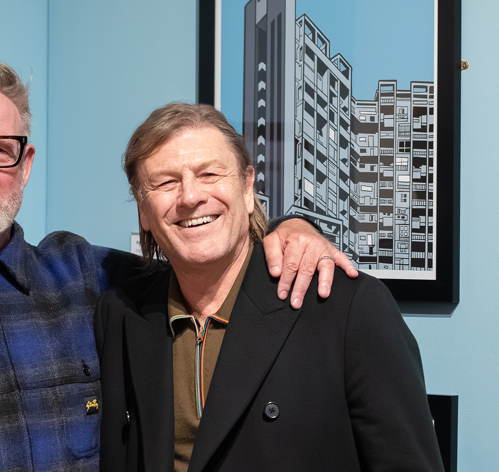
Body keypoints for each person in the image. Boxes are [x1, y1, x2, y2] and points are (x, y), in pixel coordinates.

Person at [0, 53, 353, 471]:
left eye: (0, 149)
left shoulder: (86, 278)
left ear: (24, 164)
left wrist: (286, 226)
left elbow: (200, 250)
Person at [95, 103, 444, 471]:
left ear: (247, 188)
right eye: (165, 182)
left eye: (210, 173)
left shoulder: (345, 308)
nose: (190, 197)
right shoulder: (122, 314)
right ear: (143, 211)